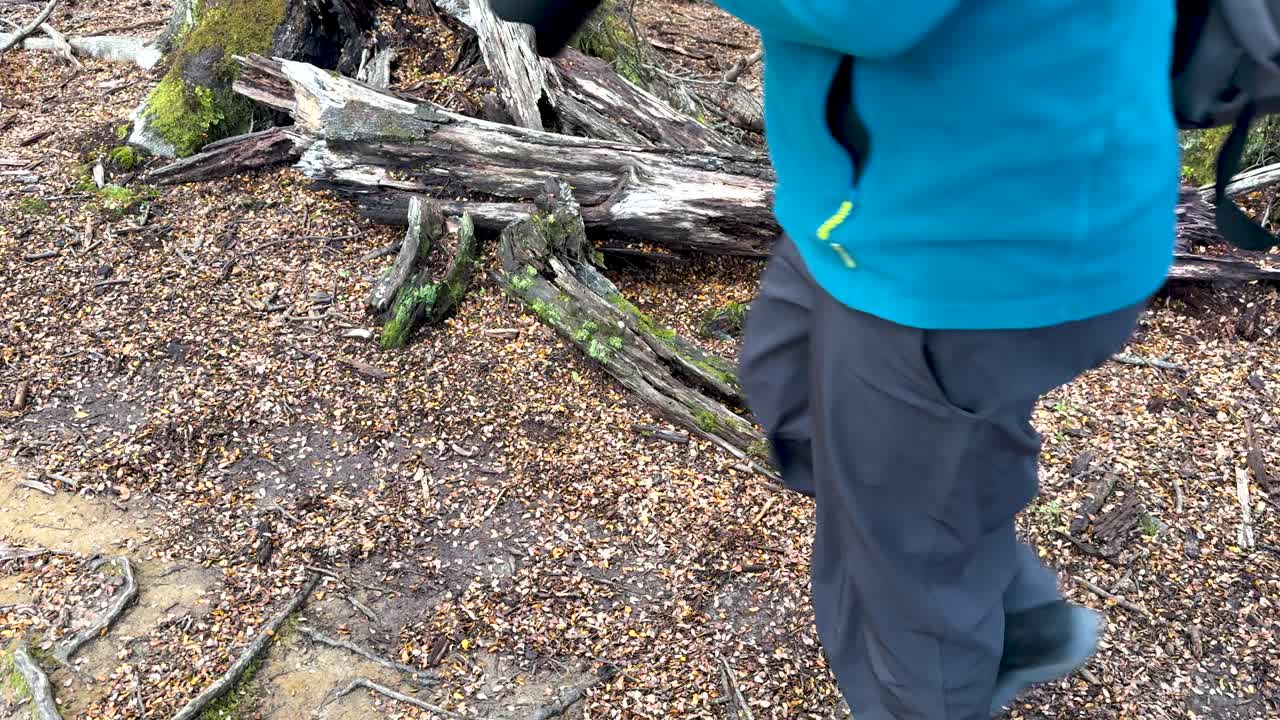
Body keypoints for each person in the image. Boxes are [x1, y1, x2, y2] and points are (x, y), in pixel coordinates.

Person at [717, 1, 1180, 717]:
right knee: (791, 393)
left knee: (900, 564)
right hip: (868, 212)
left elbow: (865, 13)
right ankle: (1015, 611)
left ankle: (944, 665)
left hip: (969, 245)